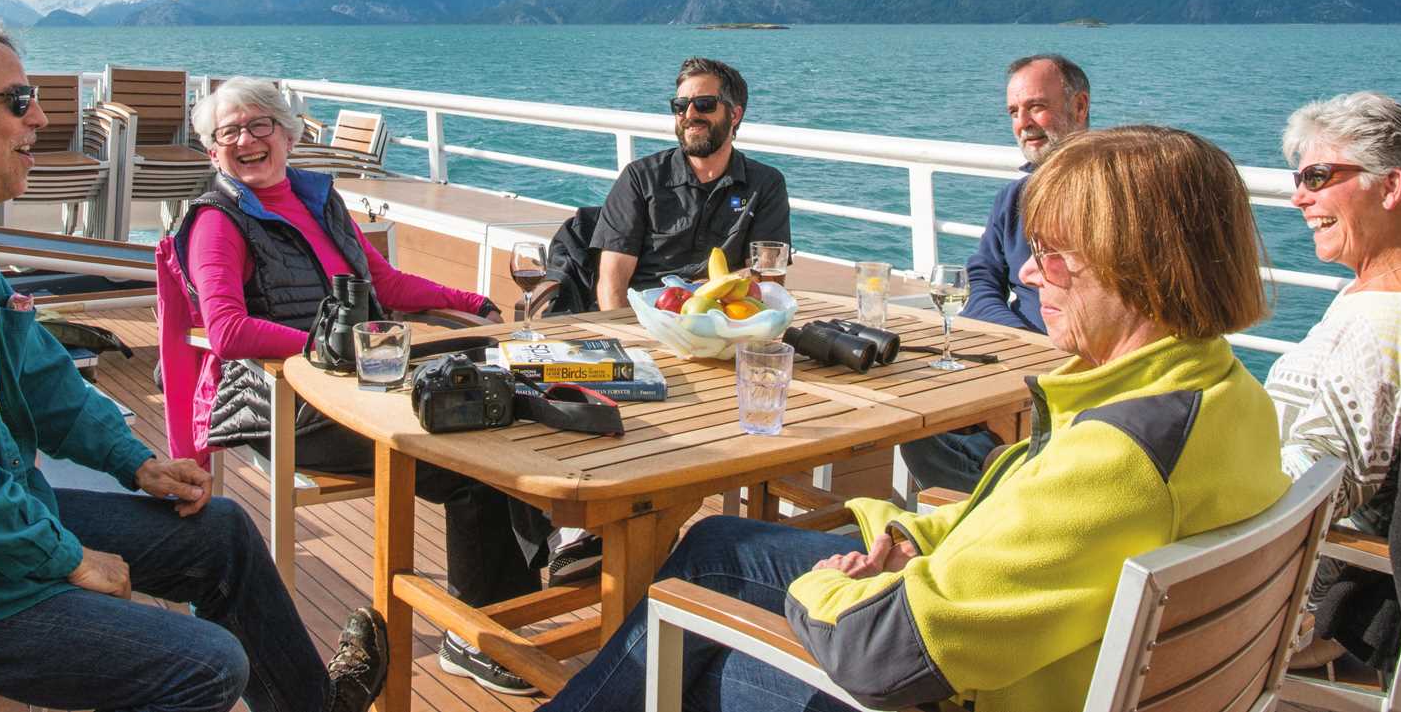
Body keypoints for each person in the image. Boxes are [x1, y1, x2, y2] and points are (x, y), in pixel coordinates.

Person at [0, 13, 387, 712]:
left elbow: (36, 373)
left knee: (224, 536)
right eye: (19, 99)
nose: (44, 117)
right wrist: (65, 556)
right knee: (205, 664)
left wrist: (131, 459)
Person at [543, 125, 1288, 712]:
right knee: (713, 544)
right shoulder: (1225, 397)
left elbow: (880, 653)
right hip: (1004, 632)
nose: (1028, 273)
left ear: (1141, 265)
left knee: (684, 653)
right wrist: (899, 535)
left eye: (1054, 255)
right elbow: (1026, 528)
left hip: (944, 683)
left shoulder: (1121, 459)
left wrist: (836, 583)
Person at [170, 76, 544, 696]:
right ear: (213, 152)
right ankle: (474, 634)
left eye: (259, 124)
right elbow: (229, 331)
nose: (246, 140)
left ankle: (510, 601)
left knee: (501, 402)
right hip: (283, 403)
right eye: (227, 132)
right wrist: (327, 348)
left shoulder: (319, 200)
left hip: (361, 384)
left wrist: (471, 301)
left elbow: (386, 287)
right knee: (474, 460)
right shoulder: (218, 220)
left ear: (288, 135)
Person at [1268, 92, 1401, 669]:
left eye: (1318, 176)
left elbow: (1315, 494)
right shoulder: (1382, 296)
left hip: (1270, 599)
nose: (1299, 195)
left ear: (1391, 187)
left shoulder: (1394, 324)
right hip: (1269, 563)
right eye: (1299, 177)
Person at [898, 53, 1089, 491]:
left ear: (1079, 107)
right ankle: (1008, 496)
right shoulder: (1015, 196)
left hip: (1077, 378)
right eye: (1014, 112)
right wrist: (1022, 342)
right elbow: (980, 279)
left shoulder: (1109, 194)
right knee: (920, 428)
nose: (1024, 122)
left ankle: (1015, 502)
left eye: (1036, 106)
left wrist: (1049, 355)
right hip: (1017, 362)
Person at [592, 57, 791, 311]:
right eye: (680, 105)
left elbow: (769, 278)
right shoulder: (640, 178)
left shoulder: (765, 185)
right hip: (647, 320)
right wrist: (626, 336)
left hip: (726, 324)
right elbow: (612, 280)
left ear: (734, 114)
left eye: (704, 105)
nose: (689, 115)